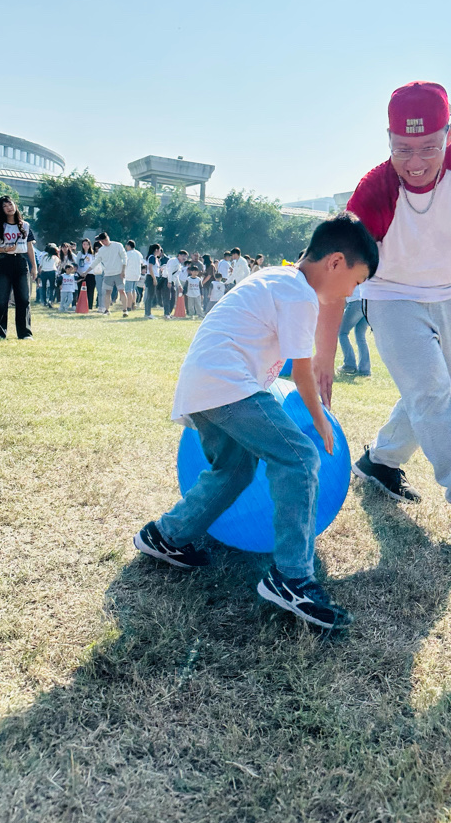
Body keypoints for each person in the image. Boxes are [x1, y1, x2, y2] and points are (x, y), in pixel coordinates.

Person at [315, 81, 451, 554]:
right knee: (431, 395)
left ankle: (381, 461)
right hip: (390, 295)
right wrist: (324, 356)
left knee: (443, 393)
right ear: (388, 141)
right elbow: (335, 278)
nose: (415, 162)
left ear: (449, 134)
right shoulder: (373, 192)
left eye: (429, 147)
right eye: (403, 149)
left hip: (450, 292)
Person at [133, 213, 379, 631]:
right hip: (229, 385)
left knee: (235, 470)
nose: (352, 292)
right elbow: (302, 373)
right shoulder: (300, 294)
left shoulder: (276, 279)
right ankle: (292, 578)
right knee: (299, 458)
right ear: (336, 262)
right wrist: (319, 421)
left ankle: (166, 535)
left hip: (203, 386)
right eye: (356, 281)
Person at [0, 196, 37, 340]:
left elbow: (29, 247)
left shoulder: (25, 225)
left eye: (10, 204)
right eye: (5, 206)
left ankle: (25, 333)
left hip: (21, 262)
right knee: (1, 298)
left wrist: (34, 266)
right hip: (4, 261)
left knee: (24, 298)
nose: (9, 207)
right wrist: (4, 249)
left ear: (15, 205)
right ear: (1, 210)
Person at [82, 232, 126, 315]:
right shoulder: (101, 250)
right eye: (101, 241)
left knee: (121, 291)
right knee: (107, 292)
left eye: (104, 240)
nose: (103, 243)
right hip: (108, 274)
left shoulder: (118, 245)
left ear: (107, 238)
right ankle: (107, 310)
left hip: (118, 272)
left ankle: (125, 310)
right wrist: (87, 271)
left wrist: (123, 270)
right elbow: (96, 262)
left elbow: (124, 258)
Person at [337, 285, 371, 376]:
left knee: (342, 332)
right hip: (368, 303)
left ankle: (349, 365)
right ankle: (365, 370)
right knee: (360, 335)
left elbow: (343, 294)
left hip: (356, 302)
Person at [124, 240, 143, 315]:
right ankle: (133, 303)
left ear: (129, 246)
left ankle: (128, 306)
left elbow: (124, 263)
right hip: (137, 274)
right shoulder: (138, 253)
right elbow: (142, 263)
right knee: (134, 290)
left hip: (129, 274)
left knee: (128, 290)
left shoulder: (128, 254)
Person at [143, 243, 162, 319]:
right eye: (159, 250)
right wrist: (154, 278)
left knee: (151, 295)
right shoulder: (152, 257)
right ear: (156, 250)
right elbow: (150, 268)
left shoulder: (155, 258)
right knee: (150, 296)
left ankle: (147, 313)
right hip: (151, 277)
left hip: (153, 277)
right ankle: (148, 313)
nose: (160, 252)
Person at [76, 239, 96, 308]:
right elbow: (77, 263)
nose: (85, 246)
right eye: (84, 244)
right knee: (80, 290)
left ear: (89, 245)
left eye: (87, 244)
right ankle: (80, 305)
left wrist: (87, 272)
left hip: (90, 274)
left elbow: (93, 264)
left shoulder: (92, 254)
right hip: (81, 274)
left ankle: (89, 305)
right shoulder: (80, 254)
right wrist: (79, 273)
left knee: (90, 290)